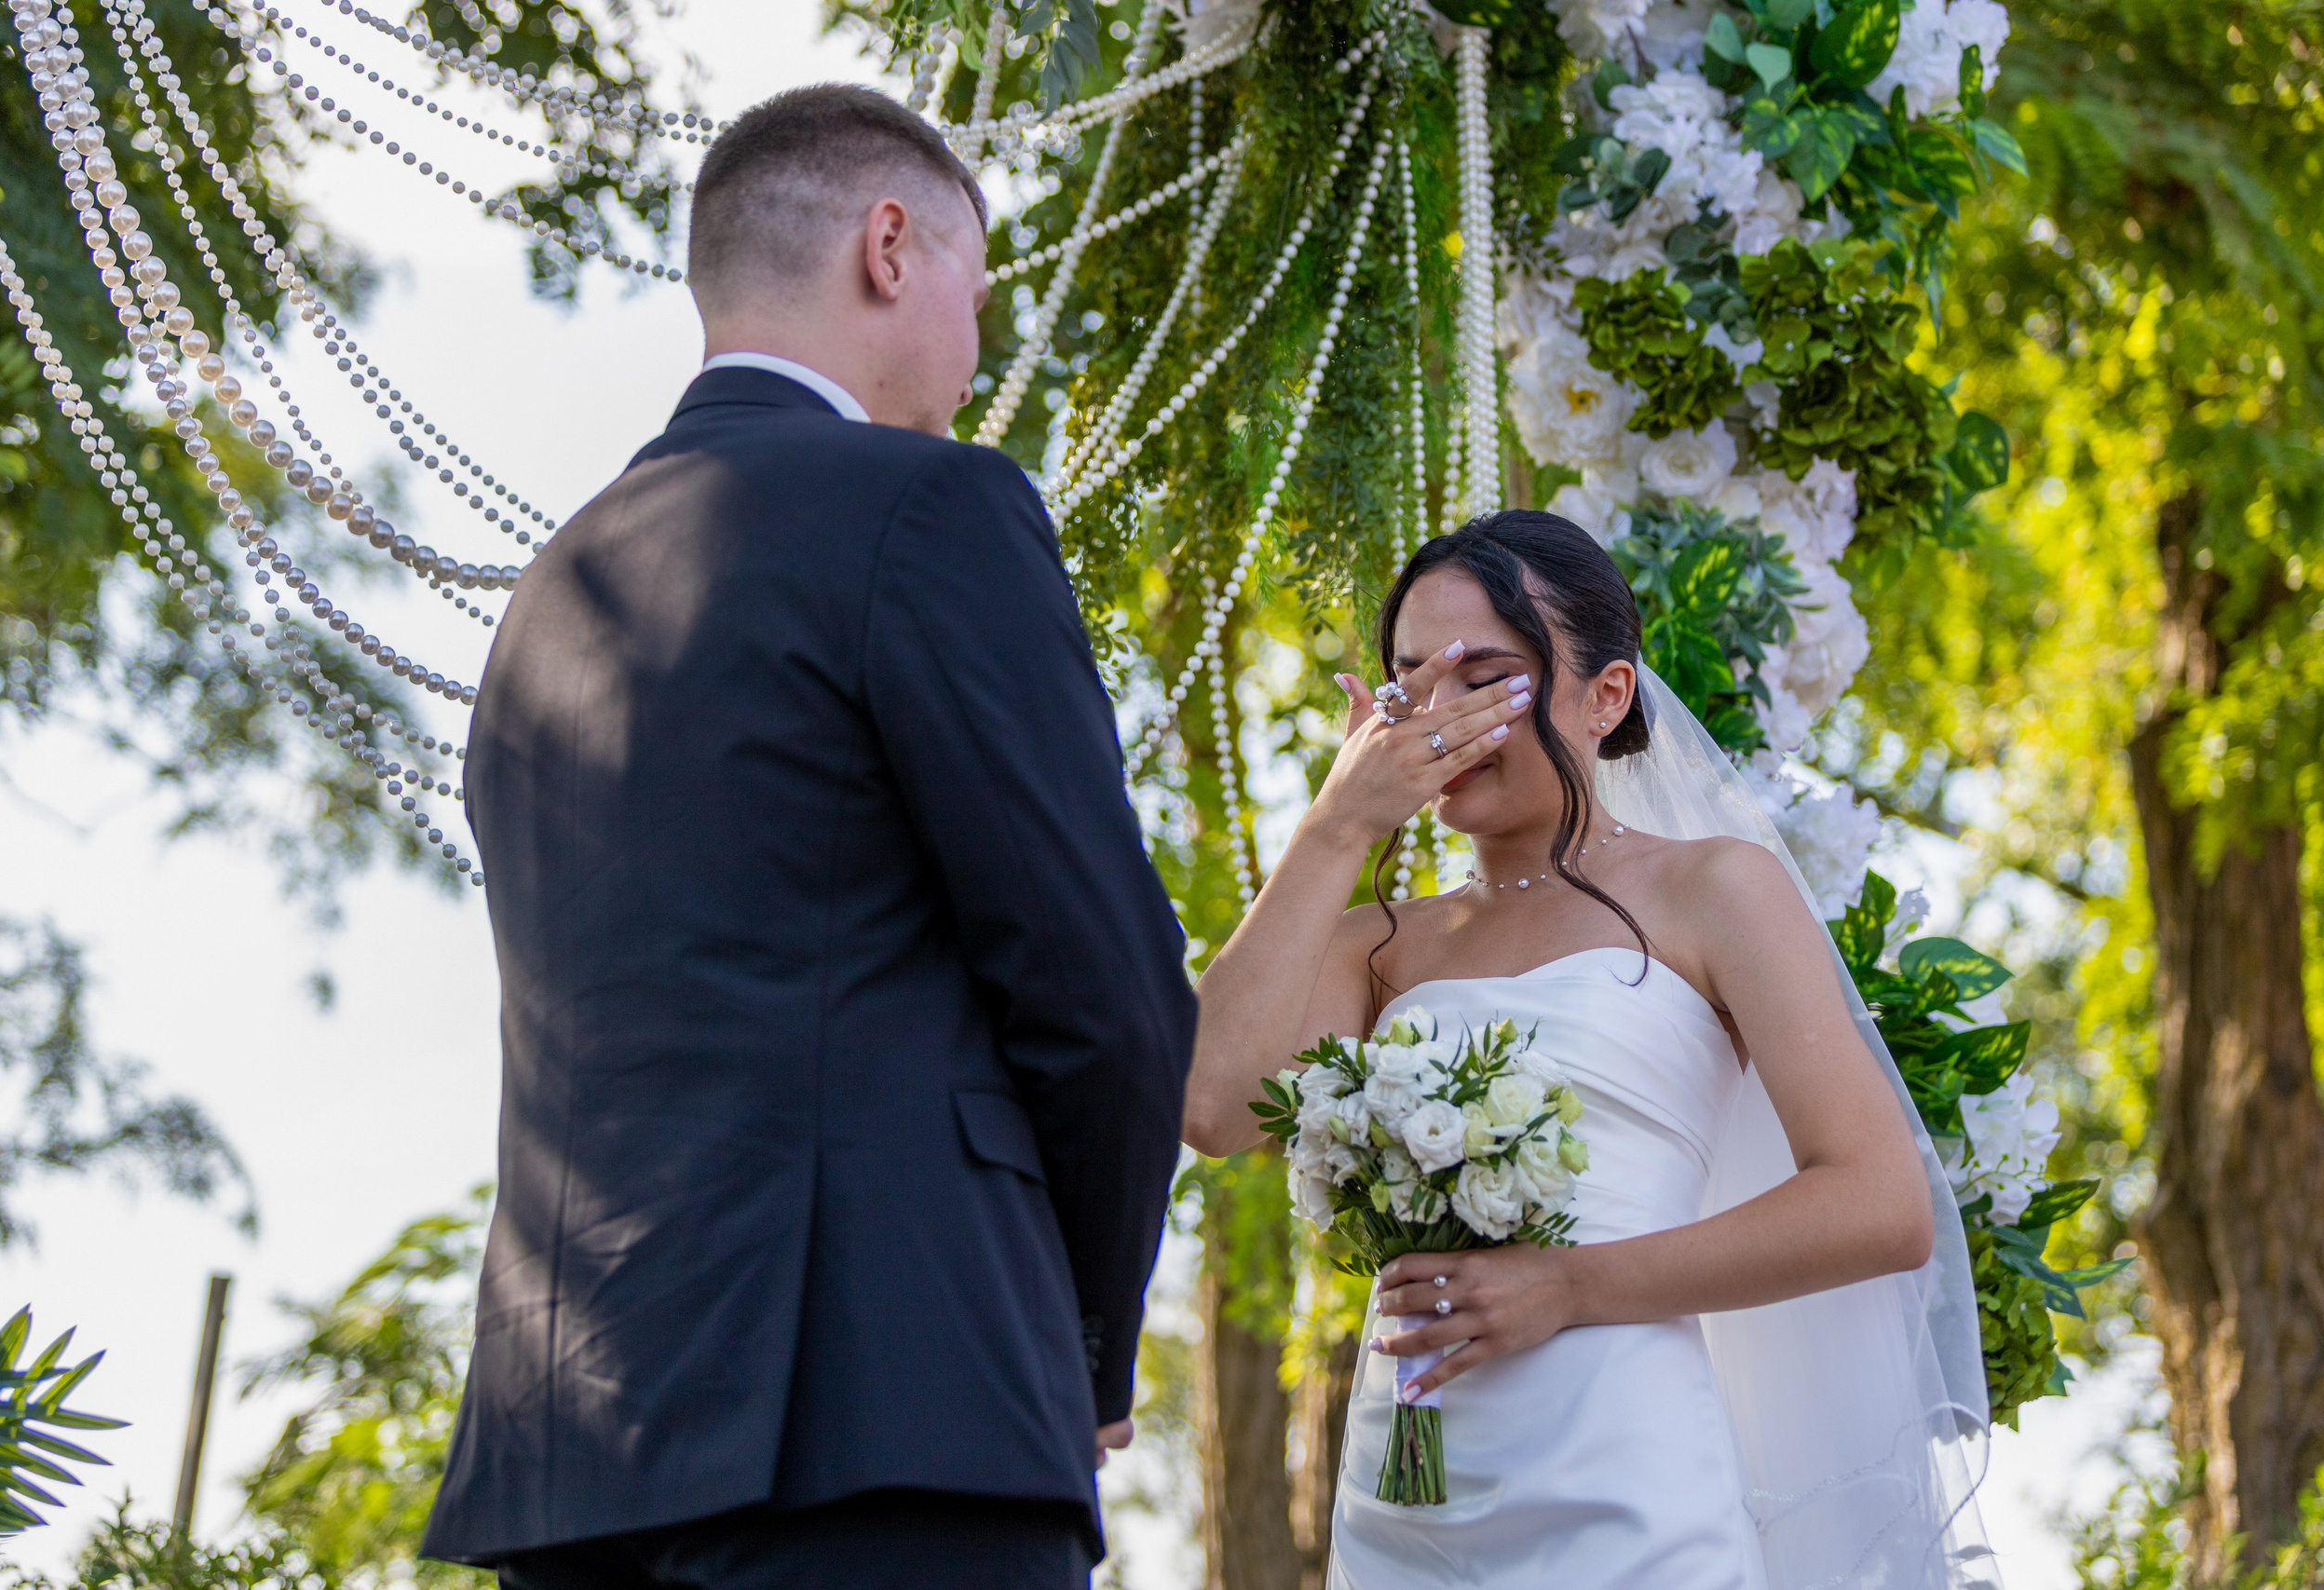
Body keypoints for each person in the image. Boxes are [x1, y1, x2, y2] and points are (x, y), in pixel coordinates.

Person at [421, 83, 1195, 1590]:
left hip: (571, 1451)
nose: (980, 339)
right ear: (890, 246)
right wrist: (1080, 1342)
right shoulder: (929, 508)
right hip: (883, 1416)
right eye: (981, 281)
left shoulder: (546, 598)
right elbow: (1104, 992)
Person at [1180, 511, 1996, 1589]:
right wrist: (1332, 831)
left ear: (1605, 696)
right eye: (1410, 681)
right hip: (1407, 1494)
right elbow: (1209, 1106)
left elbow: (1880, 1205)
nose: (1439, 711)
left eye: (1485, 674)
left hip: (1625, 1476)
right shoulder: (1381, 943)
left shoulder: (1713, 890)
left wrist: (1568, 1288)